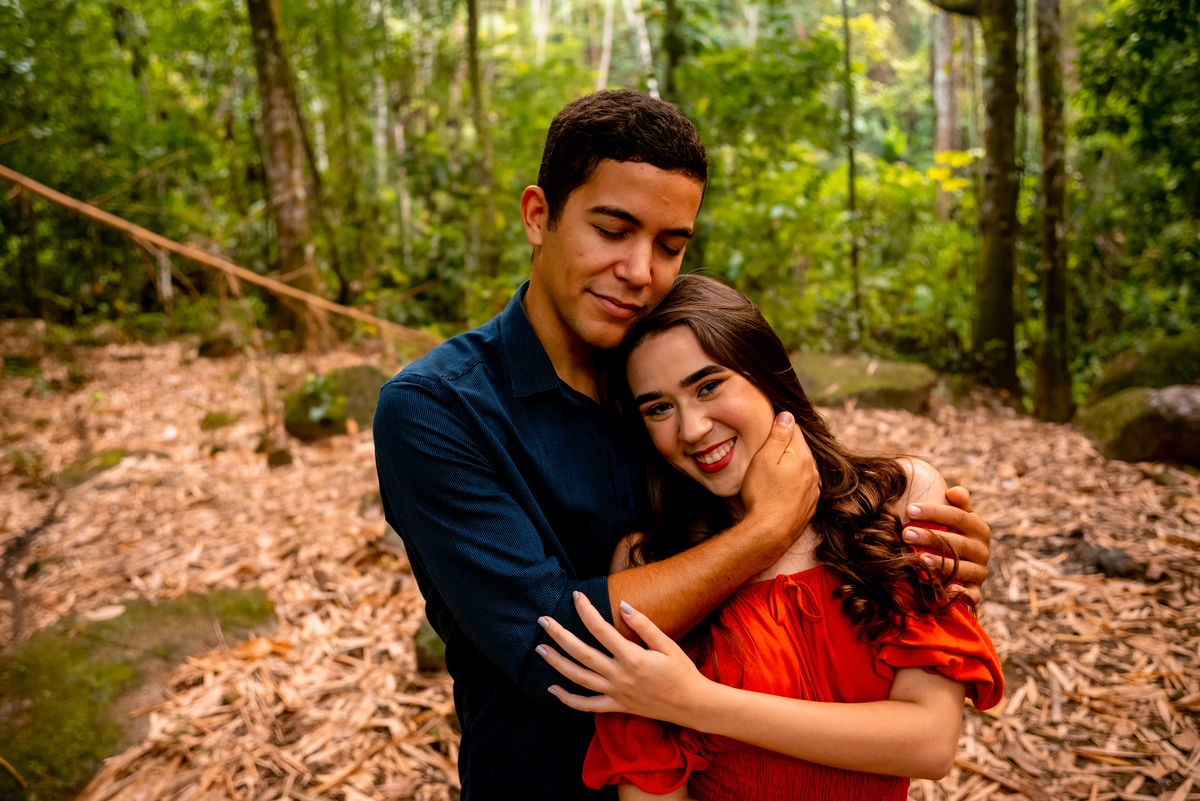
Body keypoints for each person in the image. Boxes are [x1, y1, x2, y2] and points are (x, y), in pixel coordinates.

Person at [373, 90, 993, 800]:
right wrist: (767, 529)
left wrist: (924, 546)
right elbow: (550, 649)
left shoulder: (665, 371)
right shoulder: (437, 408)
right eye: (613, 230)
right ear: (538, 215)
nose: (640, 270)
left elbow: (817, 507)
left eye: (670, 244)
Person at [534, 274, 1004, 800]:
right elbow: (649, 787)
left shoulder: (898, 497)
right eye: (658, 407)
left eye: (708, 386)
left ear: (767, 375)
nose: (691, 428)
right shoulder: (650, 562)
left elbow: (929, 742)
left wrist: (695, 703)